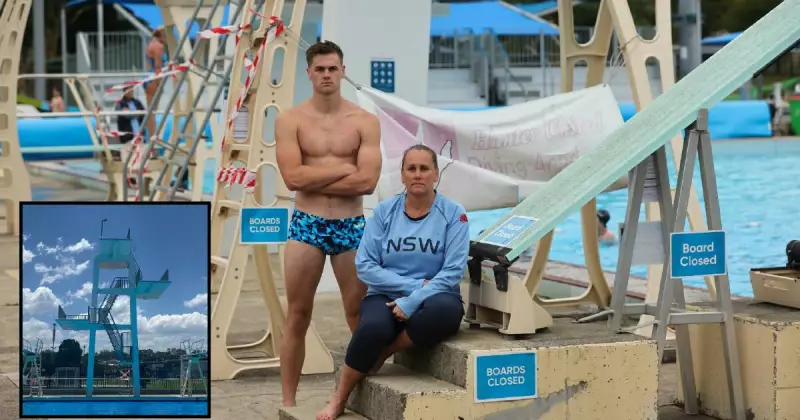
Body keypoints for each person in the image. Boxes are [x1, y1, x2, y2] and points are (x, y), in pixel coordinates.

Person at [316, 144, 469, 420]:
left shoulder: (454, 214)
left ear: (436, 173)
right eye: (411, 169)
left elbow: (453, 271)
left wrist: (415, 300)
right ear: (402, 175)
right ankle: (339, 398)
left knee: (446, 312)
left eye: (424, 168)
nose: (418, 174)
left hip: (436, 295)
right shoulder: (385, 212)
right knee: (371, 329)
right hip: (386, 294)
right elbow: (365, 265)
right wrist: (412, 290)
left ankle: (386, 351)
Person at [274, 40, 382, 408]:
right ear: (309, 73)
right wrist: (343, 168)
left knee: (359, 314)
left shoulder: (364, 122)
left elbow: (367, 182)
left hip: (352, 226)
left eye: (332, 68)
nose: (326, 75)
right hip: (307, 225)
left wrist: (313, 172)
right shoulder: (291, 120)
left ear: (343, 71)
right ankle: (288, 403)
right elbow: (292, 179)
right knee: (298, 314)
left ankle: (363, 398)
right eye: (319, 69)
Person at [143, 27, 167, 140]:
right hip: (154, 78)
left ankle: (151, 137)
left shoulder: (151, 44)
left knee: (150, 111)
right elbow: (158, 67)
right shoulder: (159, 46)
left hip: (148, 76)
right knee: (152, 112)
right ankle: (152, 138)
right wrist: (160, 84)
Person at [113, 89, 145, 160]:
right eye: (129, 91)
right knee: (128, 156)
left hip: (139, 134)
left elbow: (143, 113)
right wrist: (136, 113)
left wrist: (131, 112)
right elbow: (125, 115)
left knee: (140, 156)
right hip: (127, 135)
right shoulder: (120, 103)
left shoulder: (137, 102)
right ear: (124, 91)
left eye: (132, 91)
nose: (131, 92)